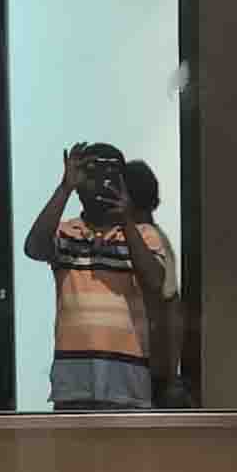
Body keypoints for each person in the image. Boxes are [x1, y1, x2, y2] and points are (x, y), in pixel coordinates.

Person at [24, 142, 168, 411]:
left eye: (111, 176)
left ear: (124, 183)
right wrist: (65, 188)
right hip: (74, 383)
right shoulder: (66, 233)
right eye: (91, 175)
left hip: (128, 384)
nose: (101, 184)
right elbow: (34, 248)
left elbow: (154, 281)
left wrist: (126, 221)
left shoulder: (144, 235)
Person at [123, 160, 190, 408]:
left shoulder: (147, 242)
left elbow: (171, 310)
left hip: (147, 366)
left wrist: (170, 377)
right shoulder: (157, 238)